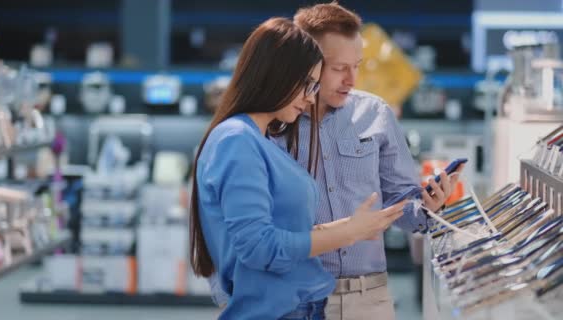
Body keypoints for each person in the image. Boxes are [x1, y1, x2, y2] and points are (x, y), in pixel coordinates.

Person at [211, 4, 464, 320]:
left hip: (369, 298)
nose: (351, 80)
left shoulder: (376, 115)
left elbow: (403, 206)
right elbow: (240, 231)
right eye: (338, 68)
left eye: (356, 65)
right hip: (294, 301)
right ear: (305, 62)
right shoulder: (266, 128)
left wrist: (429, 206)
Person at [190, 17, 406, 319]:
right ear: (274, 75)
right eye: (306, 83)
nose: (309, 97)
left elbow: (289, 232)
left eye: (315, 85)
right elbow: (260, 247)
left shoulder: (258, 139)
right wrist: (346, 234)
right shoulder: (236, 140)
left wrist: (354, 227)